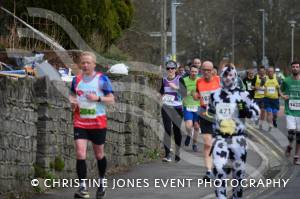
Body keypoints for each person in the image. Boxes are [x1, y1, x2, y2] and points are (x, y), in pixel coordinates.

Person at [208, 65, 260, 199]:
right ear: (221, 77)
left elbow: (257, 113)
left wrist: (247, 112)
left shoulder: (243, 95)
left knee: (238, 174)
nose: (228, 78)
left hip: (238, 140)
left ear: (235, 77)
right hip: (221, 140)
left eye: (231, 75)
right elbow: (210, 112)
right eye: (225, 75)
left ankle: (237, 196)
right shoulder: (214, 95)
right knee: (219, 170)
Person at [70, 51, 115, 199]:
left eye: (88, 62)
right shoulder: (76, 80)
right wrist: (72, 102)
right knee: (80, 153)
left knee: (99, 154)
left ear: (94, 64)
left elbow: (111, 99)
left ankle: (102, 182)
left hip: (97, 123)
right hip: (80, 121)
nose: (85, 65)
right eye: (83, 62)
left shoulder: (102, 79)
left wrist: (97, 98)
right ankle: (82, 187)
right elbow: (72, 94)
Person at [193, 60, 220, 180]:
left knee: (217, 144)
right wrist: (196, 95)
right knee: (208, 143)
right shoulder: (199, 81)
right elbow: (198, 94)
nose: (206, 72)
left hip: (218, 115)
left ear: (212, 70)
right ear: (201, 70)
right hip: (204, 114)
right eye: (204, 70)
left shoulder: (219, 80)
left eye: (209, 70)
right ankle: (209, 171)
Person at [160, 60, 183, 162]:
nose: (170, 70)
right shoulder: (164, 79)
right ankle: (167, 154)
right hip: (166, 107)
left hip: (177, 108)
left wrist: (176, 88)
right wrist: (160, 96)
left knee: (176, 131)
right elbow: (161, 92)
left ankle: (177, 152)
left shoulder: (179, 79)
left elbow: (185, 93)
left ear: (175, 69)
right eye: (168, 68)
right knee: (167, 130)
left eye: (172, 68)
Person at [281, 61, 300, 165]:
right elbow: (280, 90)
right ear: (291, 68)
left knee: (299, 136)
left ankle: (296, 157)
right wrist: (283, 96)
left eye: (297, 67)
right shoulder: (286, 80)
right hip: (290, 111)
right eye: (294, 67)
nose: (295, 68)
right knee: (292, 134)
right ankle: (289, 146)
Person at [179, 64, 201, 152]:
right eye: (192, 71)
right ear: (189, 72)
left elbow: (204, 92)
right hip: (187, 106)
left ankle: (194, 144)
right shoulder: (184, 80)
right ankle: (189, 134)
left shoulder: (200, 80)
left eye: (195, 72)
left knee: (196, 126)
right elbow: (181, 93)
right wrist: (190, 93)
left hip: (198, 106)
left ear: (198, 72)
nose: (194, 73)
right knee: (188, 125)